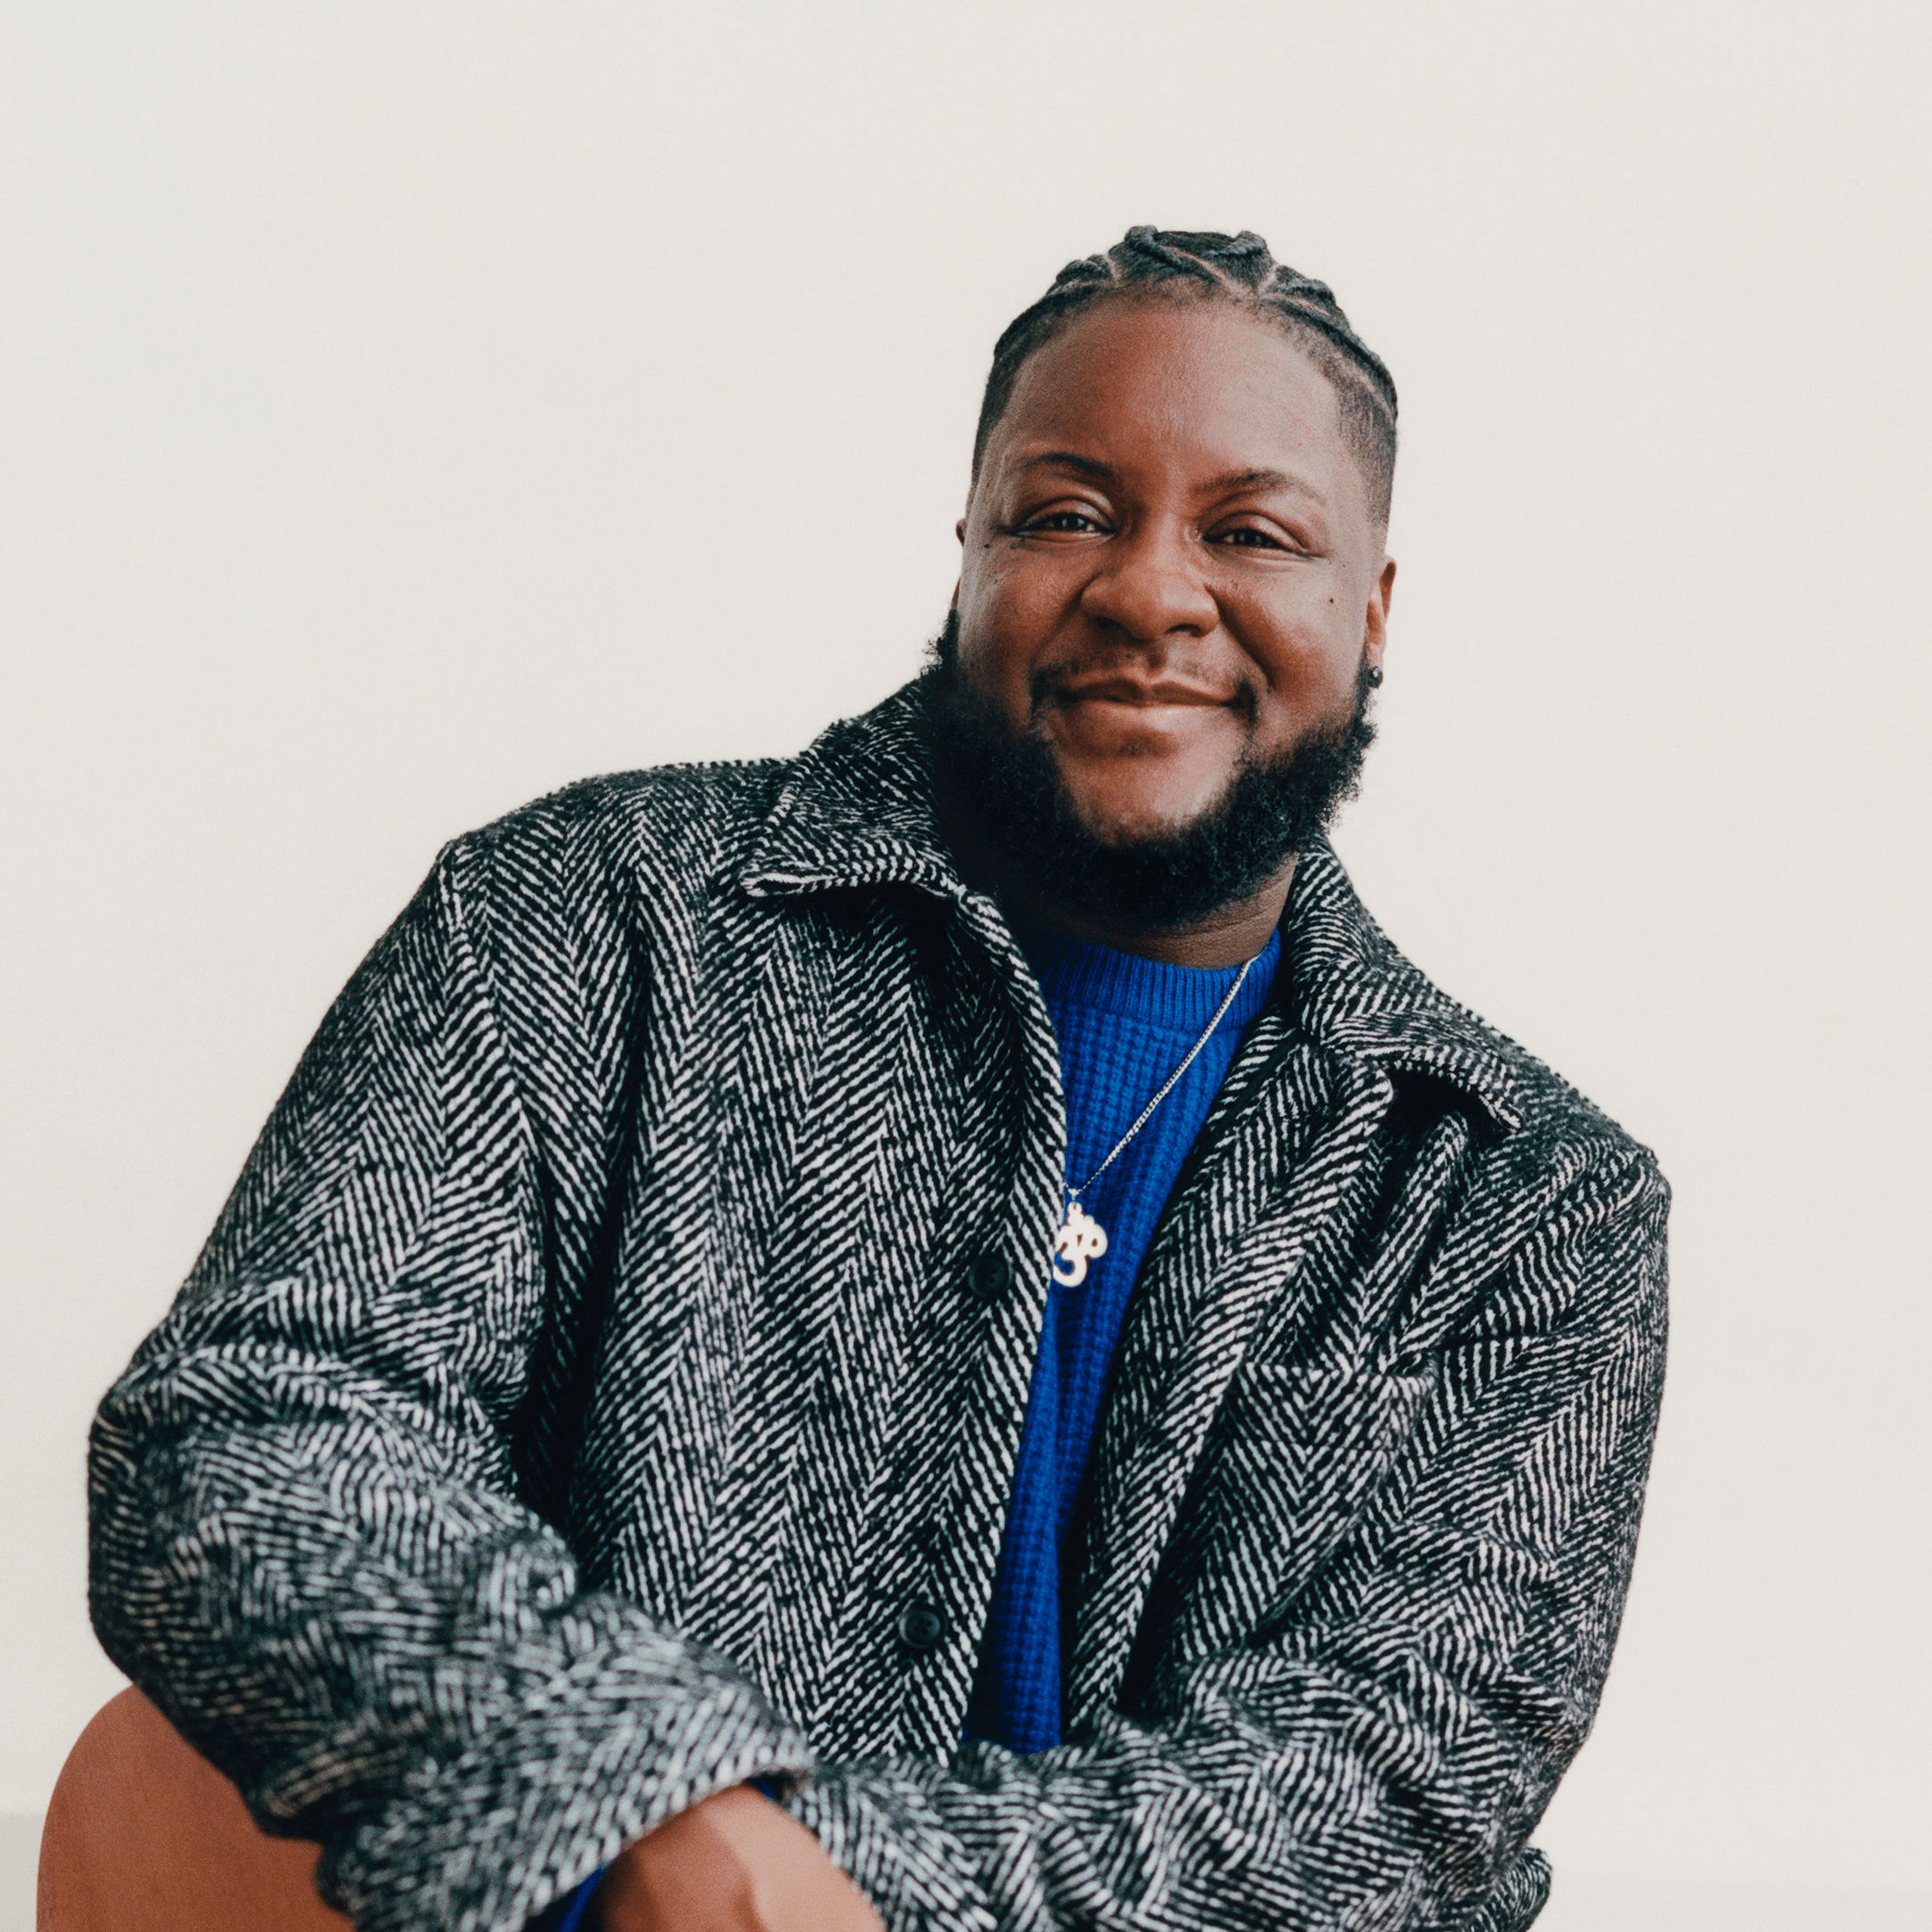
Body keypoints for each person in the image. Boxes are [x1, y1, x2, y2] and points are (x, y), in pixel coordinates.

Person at [88, 227, 1668, 1932]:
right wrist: (638, 1802)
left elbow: (1389, 1787)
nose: (1149, 590)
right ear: (967, 554)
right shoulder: (583, 919)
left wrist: (785, 1872)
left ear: (1370, 609)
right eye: (1065, 512)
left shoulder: (1530, 1196)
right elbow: (251, 1431)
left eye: (1253, 533)